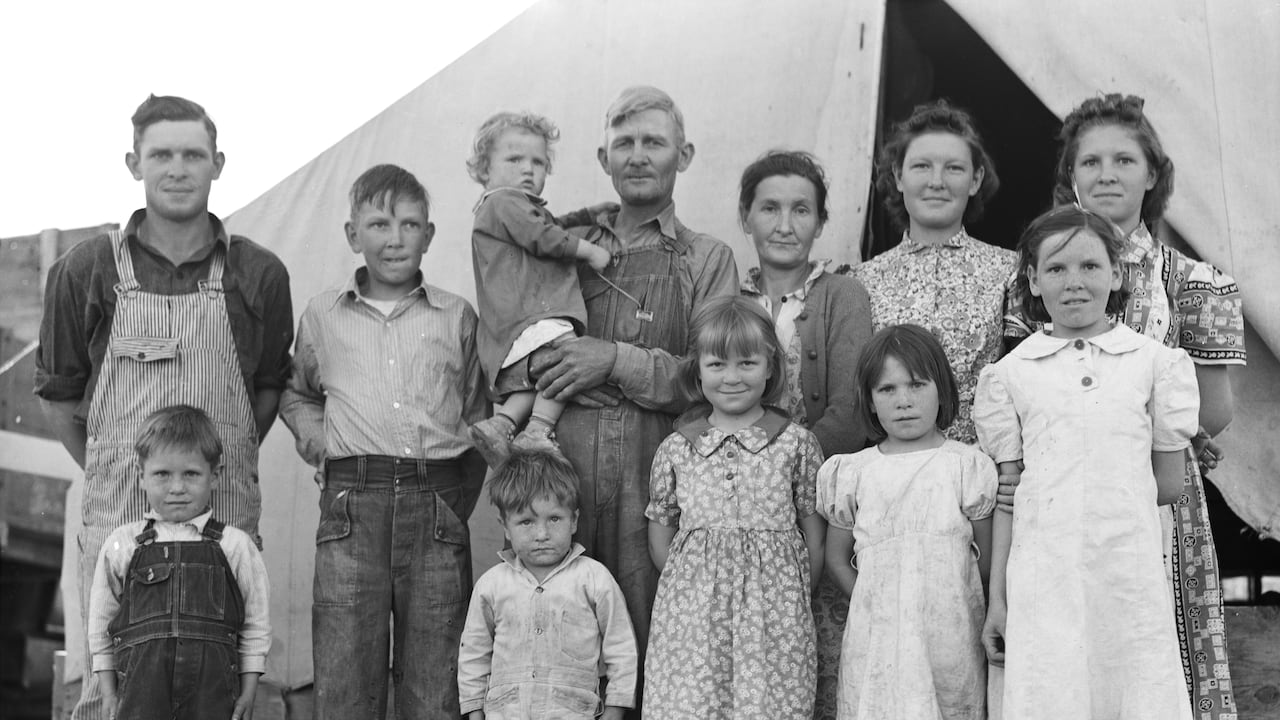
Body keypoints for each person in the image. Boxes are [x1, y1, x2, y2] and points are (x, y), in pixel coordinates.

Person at [35, 94, 292, 720]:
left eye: (193, 155)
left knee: (217, 688)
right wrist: (113, 467)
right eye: (162, 155)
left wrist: (215, 463)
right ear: (134, 163)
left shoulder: (258, 273)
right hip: (119, 517)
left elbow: (266, 388)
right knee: (114, 693)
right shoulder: (87, 270)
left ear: (218, 163)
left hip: (222, 518)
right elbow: (60, 395)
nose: (178, 169)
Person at [1003, 93, 1245, 717]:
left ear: (1152, 175)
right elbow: (1022, 387)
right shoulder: (1039, 270)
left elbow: (1212, 410)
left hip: (1155, 490)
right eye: (1091, 162)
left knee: (1148, 654)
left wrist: (1129, 427)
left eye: (1124, 159)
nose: (1107, 173)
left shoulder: (1195, 279)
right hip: (1058, 494)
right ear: (1071, 177)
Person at [521, 85, 740, 711]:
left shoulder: (706, 258)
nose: (638, 155)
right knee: (554, 646)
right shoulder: (562, 248)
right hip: (561, 475)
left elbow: (713, 379)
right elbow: (513, 333)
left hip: (657, 485)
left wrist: (611, 358)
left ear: (685, 155)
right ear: (603, 157)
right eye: (625, 143)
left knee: (652, 651)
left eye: (654, 142)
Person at [279, 164, 487, 719]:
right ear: (353, 235)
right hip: (352, 510)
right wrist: (320, 441)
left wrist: (448, 503)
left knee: (435, 685)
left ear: (429, 234)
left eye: (409, 224)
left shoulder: (455, 316)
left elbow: (475, 415)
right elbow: (296, 393)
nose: (394, 239)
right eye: (378, 224)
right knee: (346, 681)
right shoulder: (324, 315)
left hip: (436, 509)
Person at [975, 206, 1196, 719]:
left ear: (1116, 273)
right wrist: (1000, 601)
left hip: (1126, 575)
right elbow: (1010, 497)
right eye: (1055, 269)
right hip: (1043, 579)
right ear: (1032, 279)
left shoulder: (1153, 364)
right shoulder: (1011, 376)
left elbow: (1166, 484)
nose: (1073, 282)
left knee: (1131, 688)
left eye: (1090, 267)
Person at [737, 149, 873, 719]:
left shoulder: (842, 296)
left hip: (817, 503)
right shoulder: (727, 300)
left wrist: (784, 472)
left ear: (821, 222)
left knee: (821, 664)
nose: (785, 224)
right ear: (745, 216)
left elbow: (852, 407)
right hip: (741, 513)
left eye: (801, 209)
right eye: (769, 208)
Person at [644, 296, 826, 719]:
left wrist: (785, 598)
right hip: (692, 618)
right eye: (717, 364)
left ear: (770, 367)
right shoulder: (678, 448)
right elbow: (663, 538)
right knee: (692, 703)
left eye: (747, 363)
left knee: (769, 705)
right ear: (698, 370)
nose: (732, 377)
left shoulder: (795, 443)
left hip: (775, 619)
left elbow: (814, 539)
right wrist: (694, 590)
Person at [817, 325, 995, 719]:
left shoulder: (966, 467)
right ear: (870, 400)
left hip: (951, 635)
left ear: (942, 390)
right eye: (888, 390)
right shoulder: (853, 472)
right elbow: (835, 556)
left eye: (917, 385)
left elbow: (986, 556)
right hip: (877, 637)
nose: (904, 401)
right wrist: (878, 601)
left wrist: (949, 593)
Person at [840, 100, 1015, 446]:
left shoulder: (1010, 271)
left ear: (976, 179)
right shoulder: (861, 280)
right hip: (892, 470)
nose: (937, 181)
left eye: (953, 168)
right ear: (898, 177)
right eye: (921, 166)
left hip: (984, 468)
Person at [87, 405, 270, 720]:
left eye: (191, 474)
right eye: (162, 474)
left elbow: (255, 626)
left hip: (212, 701)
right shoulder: (123, 544)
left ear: (215, 475)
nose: (176, 488)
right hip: (140, 700)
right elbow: (101, 627)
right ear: (140, 475)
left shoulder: (235, 546)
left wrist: (249, 691)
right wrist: (108, 692)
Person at [464, 111, 613, 467]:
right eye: (514, 159)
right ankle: (537, 430)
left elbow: (547, 224)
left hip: (515, 324)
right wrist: (589, 250)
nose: (528, 170)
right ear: (485, 170)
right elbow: (543, 235)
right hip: (534, 316)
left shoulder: (504, 208)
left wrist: (586, 214)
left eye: (538, 162)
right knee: (566, 362)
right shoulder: (503, 202)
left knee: (534, 380)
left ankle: (501, 424)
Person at [457, 450, 638, 719]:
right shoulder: (491, 586)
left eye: (554, 519)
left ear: (573, 520)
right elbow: (474, 651)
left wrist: (616, 706)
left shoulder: (593, 579)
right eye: (526, 522)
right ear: (505, 527)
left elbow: (621, 646)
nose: (542, 534)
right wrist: (474, 709)